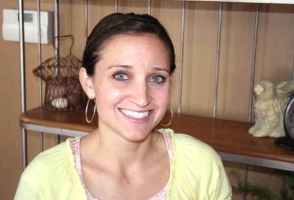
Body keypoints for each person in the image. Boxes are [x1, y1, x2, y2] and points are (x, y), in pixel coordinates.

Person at [15, 13, 232, 200]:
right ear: (88, 83)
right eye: (121, 75)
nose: (141, 98)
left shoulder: (201, 166)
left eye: (156, 78)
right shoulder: (44, 179)